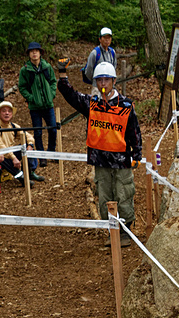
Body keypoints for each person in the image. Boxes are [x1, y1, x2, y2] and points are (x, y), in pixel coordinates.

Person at [56, 59, 141, 247]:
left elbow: (134, 131)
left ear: (114, 81)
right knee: (105, 197)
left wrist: (137, 154)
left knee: (124, 193)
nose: (103, 84)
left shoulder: (125, 105)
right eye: (99, 80)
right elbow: (70, 95)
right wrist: (63, 74)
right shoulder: (92, 104)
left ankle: (125, 231)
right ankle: (112, 231)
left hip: (121, 159)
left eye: (106, 80)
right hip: (101, 160)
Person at [17, 42, 57, 169]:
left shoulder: (47, 67)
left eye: (36, 51)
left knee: (53, 129)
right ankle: (42, 157)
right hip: (35, 107)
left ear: (40, 53)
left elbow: (53, 82)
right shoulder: (25, 70)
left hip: (48, 105)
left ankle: (51, 152)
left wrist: (51, 94)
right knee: (38, 132)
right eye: (31, 51)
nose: (34, 53)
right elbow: (22, 87)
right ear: (29, 54)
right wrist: (31, 98)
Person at [0, 101, 44, 187]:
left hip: (11, 154)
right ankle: (21, 177)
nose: (7, 113)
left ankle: (30, 172)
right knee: (2, 157)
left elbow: (28, 136)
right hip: (1, 157)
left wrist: (30, 145)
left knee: (26, 147)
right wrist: (13, 158)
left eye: (9, 111)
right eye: (4, 111)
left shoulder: (13, 126)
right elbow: (1, 147)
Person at [83, 27, 117, 97]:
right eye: (105, 37)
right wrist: (95, 81)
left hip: (110, 87)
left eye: (109, 38)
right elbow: (88, 71)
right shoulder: (95, 53)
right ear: (100, 39)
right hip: (97, 88)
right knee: (96, 103)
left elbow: (114, 68)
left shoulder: (112, 52)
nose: (107, 40)